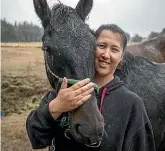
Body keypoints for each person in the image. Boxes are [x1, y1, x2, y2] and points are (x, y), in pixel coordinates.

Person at [26, 24, 156, 151]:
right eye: (101, 46)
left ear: (121, 57)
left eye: (114, 49)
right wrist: (56, 107)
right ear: (90, 48)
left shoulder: (131, 104)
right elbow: (36, 138)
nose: (106, 54)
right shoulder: (62, 94)